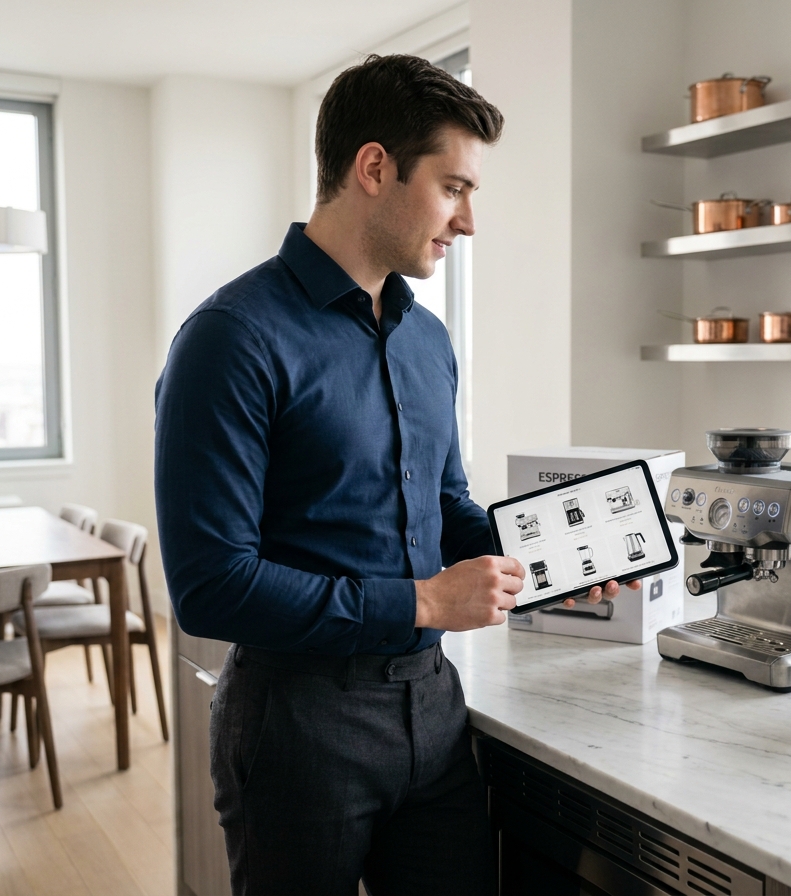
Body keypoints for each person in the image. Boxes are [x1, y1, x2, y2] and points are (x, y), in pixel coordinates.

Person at [154, 54, 637, 895]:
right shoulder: (229, 340)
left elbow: (444, 503)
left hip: (433, 711)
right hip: (296, 726)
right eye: (454, 188)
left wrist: (542, 557)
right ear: (373, 167)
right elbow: (209, 587)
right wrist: (423, 602)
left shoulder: (427, 341)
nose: (469, 221)